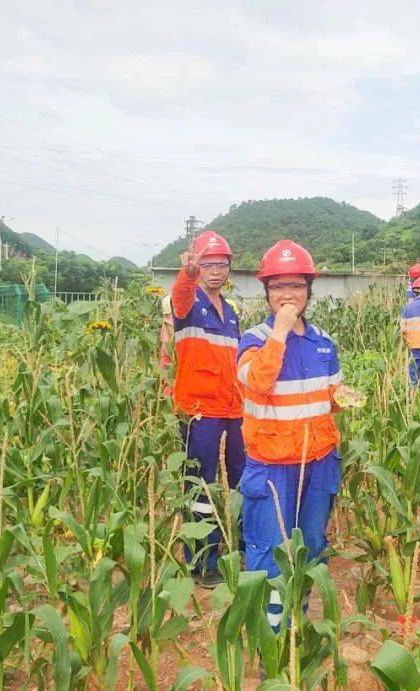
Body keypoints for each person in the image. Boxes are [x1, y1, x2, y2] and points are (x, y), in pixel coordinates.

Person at [236, 239, 349, 632]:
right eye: (278, 287)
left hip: (318, 462)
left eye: (296, 286)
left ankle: (296, 619)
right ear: (266, 292)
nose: (288, 295)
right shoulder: (253, 341)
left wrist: (341, 397)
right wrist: (279, 334)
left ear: (309, 290)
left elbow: (330, 394)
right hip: (271, 465)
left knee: (311, 546)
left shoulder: (323, 342)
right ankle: (271, 635)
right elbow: (259, 384)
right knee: (270, 550)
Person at [172, 230, 246, 587]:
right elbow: (180, 295)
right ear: (198, 266)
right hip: (200, 410)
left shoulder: (230, 313)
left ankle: (236, 545)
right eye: (208, 264)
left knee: (236, 481)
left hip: (232, 411)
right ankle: (202, 559)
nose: (216, 271)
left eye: (222, 264)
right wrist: (186, 274)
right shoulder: (188, 304)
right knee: (202, 486)